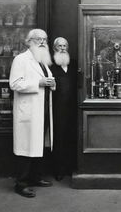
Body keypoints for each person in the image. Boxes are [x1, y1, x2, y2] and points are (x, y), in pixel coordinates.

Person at [9, 29, 56, 198]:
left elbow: (47, 81)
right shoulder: (21, 59)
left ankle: (35, 178)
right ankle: (21, 184)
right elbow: (14, 84)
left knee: (38, 145)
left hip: (42, 109)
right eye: (38, 39)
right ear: (28, 42)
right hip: (29, 112)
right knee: (25, 147)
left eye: (45, 39)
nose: (42, 42)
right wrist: (39, 82)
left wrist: (51, 83)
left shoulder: (43, 61)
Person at [50, 37, 77, 181]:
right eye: (59, 46)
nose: (62, 48)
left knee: (71, 137)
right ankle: (58, 169)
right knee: (58, 138)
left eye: (65, 46)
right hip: (57, 108)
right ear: (55, 48)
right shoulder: (50, 66)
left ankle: (69, 167)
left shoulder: (73, 64)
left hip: (73, 108)